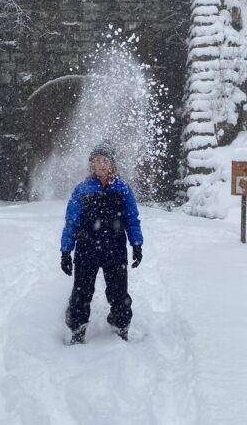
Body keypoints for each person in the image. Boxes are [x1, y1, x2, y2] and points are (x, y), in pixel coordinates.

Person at [60, 141, 143, 345]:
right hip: (86, 250)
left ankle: (120, 326)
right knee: (81, 293)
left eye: (105, 160)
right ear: (92, 164)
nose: (101, 164)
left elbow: (132, 218)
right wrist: (65, 251)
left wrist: (137, 244)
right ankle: (77, 331)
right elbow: (71, 221)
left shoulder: (122, 188)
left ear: (112, 163)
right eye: (97, 161)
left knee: (119, 293)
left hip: (115, 250)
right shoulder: (82, 189)